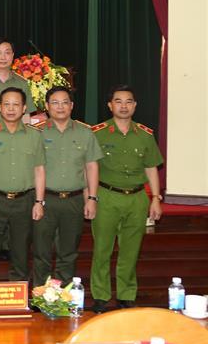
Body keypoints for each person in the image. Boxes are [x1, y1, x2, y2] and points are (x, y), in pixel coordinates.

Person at [89, 85, 164, 313]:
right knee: (102, 249)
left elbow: (151, 167)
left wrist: (156, 198)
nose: (123, 106)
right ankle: (100, 297)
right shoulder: (97, 133)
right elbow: (89, 168)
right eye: (118, 101)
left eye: (128, 102)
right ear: (110, 105)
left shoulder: (145, 134)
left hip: (137, 198)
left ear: (134, 106)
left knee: (130, 250)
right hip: (107, 196)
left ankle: (126, 295)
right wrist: (89, 197)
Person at [31, 86, 101, 285]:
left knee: (68, 252)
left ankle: (63, 296)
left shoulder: (85, 132)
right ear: (46, 106)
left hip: (74, 200)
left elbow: (91, 166)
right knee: (41, 252)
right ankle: (40, 296)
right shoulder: (37, 133)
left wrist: (92, 198)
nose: (60, 107)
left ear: (72, 106)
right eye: (55, 102)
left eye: (64, 102)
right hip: (45, 200)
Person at [0, 87, 45, 282]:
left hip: (25, 201)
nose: (11, 109)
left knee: (21, 253)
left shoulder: (34, 135)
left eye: (16, 104)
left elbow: (39, 169)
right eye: (6, 104)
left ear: (24, 108)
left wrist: (39, 202)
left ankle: (18, 298)